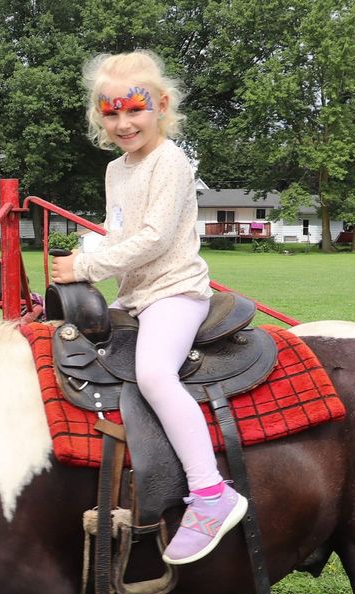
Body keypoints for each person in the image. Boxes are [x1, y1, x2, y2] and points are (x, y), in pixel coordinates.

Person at [50, 50, 247, 566]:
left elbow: (156, 239)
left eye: (134, 109)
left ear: (160, 105)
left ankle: (210, 493)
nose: (123, 122)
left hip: (174, 291)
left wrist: (86, 266)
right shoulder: (117, 169)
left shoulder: (172, 161)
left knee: (156, 374)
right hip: (134, 297)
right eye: (110, 113)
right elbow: (121, 233)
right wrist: (87, 258)